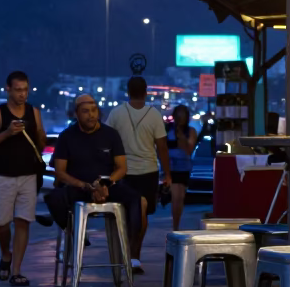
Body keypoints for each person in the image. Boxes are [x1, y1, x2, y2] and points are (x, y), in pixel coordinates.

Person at [44, 95, 142, 265]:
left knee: (136, 199)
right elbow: (60, 172)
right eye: (85, 111)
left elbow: (122, 168)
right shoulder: (67, 137)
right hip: (78, 187)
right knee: (53, 198)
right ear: (76, 114)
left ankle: (130, 248)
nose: (91, 115)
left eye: (94, 110)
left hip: (107, 185)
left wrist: (106, 183)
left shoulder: (111, 134)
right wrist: (84, 185)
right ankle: (75, 232)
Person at [0, 70, 46, 287]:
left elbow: (41, 140)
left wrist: (40, 137)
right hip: (3, 176)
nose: (22, 94)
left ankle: (17, 270)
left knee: (23, 222)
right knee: (1, 224)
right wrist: (7, 133)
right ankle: (5, 253)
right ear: (8, 89)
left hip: (28, 174)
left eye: (25, 90)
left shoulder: (33, 112)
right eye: (18, 90)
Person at [106, 76, 172, 273]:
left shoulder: (116, 113)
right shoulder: (154, 115)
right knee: (142, 212)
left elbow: (108, 140)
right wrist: (167, 174)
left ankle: (126, 253)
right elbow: (162, 148)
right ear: (145, 92)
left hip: (122, 171)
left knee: (125, 214)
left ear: (127, 91)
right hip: (148, 171)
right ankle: (135, 255)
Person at [166, 105, 198, 231]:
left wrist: (181, 137)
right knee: (175, 196)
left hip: (184, 166)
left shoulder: (190, 131)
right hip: (172, 166)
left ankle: (177, 221)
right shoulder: (168, 130)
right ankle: (175, 225)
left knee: (181, 197)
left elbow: (189, 150)